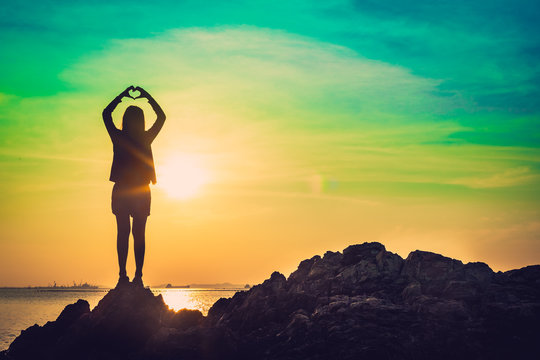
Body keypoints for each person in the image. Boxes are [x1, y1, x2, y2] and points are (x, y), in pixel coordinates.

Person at [103, 86, 166, 287]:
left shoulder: (119, 137)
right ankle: (137, 276)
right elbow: (162, 117)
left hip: (123, 190)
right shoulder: (145, 138)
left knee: (123, 233)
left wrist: (121, 96)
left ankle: (124, 276)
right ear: (141, 121)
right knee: (138, 234)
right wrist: (146, 96)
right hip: (140, 191)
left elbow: (106, 114)